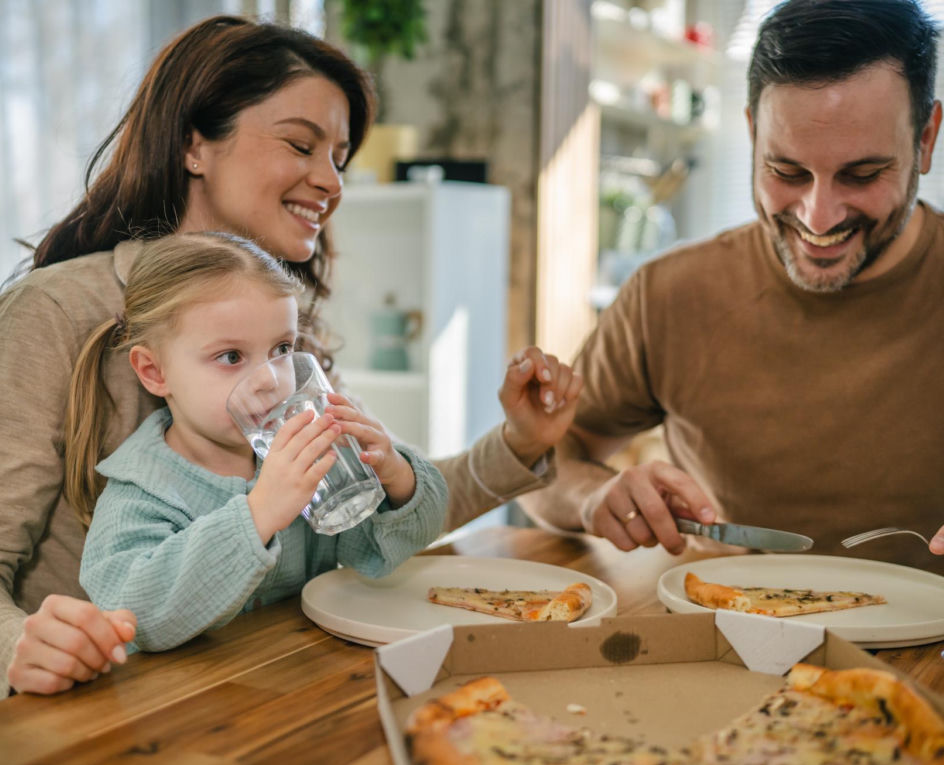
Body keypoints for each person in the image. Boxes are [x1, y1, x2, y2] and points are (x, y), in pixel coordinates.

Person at [0, 16, 581, 694]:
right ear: (194, 144)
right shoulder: (56, 311)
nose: (330, 182)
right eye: (301, 145)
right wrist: (21, 646)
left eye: (339, 158)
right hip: (106, 715)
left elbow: (366, 523)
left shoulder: (283, 336)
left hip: (259, 694)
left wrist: (518, 443)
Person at [523, 0, 944, 583]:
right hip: (724, 648)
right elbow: (543, 466)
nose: (819, 218)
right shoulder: (669, 295)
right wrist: (594, 496)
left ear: (926, 138)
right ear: (751, 133)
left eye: (863, 174)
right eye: (787, 171)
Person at [70, 232, 445, 651]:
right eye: (231, 357)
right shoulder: (139, 492)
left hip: (296, 682)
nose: (269, 379)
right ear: (155, 372)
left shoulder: (302, 460)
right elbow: (135, 616)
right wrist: (260, 513)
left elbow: (380, 552)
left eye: (281, 348)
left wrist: (397, 479)